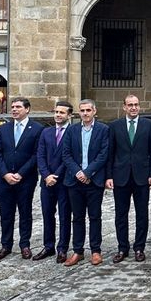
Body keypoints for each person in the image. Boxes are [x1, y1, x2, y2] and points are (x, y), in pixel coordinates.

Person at [106, 94, 151, 263]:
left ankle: (139, 247)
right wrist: (109, 176)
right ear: (124, 107)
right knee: (121, 214)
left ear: (139, 106)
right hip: (120, 177)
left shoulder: (149, 125)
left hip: (142, 177)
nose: (134, 107)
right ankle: (122, 248)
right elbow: (110, 153)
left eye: (136, 104)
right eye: (130, 105)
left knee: (142, 214)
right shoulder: (114, 126)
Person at [0, 97, 44, 261]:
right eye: (12, 107)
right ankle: (6, 245)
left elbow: (37, 155)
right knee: (6, 214)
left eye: (18, 107)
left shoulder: (37, 129)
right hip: (4, 179)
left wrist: (20, 173)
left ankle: (25, 245)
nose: (14, 110)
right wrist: (5, 173)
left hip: (25, 179)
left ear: (27, 109)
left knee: (25, 213)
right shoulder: (3, 129)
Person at [62, 99, 109, 266]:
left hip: (94, 180)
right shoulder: (72, 130)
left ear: (94, 111)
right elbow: (66, 154)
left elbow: (104, 154)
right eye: (82, 110)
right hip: (75, 181)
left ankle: (96, 250)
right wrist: (78, 173)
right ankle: (78, 251)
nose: (85, 113)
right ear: (79, 112)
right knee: (78, 217)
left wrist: (88, 172)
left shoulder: (103, 129)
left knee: (95, 216)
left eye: (88, 110)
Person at [33, 100, 73, 263]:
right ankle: (48, 246)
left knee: (64, 215)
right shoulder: (46, 132)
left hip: (64, 182)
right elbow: (40, 155)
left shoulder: (73, 132)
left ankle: (62, 248)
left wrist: (55, 175)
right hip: (46, 181)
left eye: (62, 112)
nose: (58, 115)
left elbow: (69, 156)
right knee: (47, 214)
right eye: (56, 112)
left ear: (69, 115)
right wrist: (45, 175)